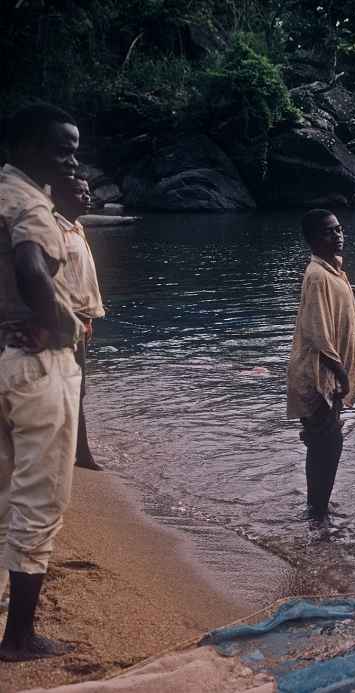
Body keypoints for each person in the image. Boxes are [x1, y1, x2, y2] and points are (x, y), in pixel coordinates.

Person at [0, 102, 84, 661]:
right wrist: (55, 329)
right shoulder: (29, 205)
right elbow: (31, 269)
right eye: (61, 148)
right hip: (34, 369)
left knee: (5, 488)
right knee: (39, 500)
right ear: (28, 148)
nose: (73, 157)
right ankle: (20, 638)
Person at [286, 209, 355, 519]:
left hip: (328, 374)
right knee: (326, 442)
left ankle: (318, 507)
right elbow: (318, 332)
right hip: (317, 375)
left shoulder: (335, 272)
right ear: (314, 239)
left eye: (339, 229)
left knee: (325, 442)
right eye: (330, 231)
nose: (338, 235)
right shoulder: (316, 275)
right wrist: (342, 374)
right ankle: (317, 511)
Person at [53, 175, 105, 471]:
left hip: (81, 320)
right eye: (79, 192)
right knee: (75, 388)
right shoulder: (54, 231)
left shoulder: (77, 227)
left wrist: (90, 316)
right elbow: (51, 282)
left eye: (87, 192)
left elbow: (81, 280)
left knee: (73, 388)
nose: (86, 197)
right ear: (59, 196)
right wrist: (73, 319)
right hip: (65, 322)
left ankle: (72, 449)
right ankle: (80, 453)